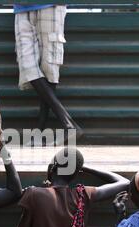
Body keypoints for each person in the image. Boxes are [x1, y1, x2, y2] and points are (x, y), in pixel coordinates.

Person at [14, 4, 83, 143]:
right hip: (21, 7)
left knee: (49, 68)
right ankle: (69, 125)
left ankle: (40, 131)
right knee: (27, 67)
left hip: (51, 5)